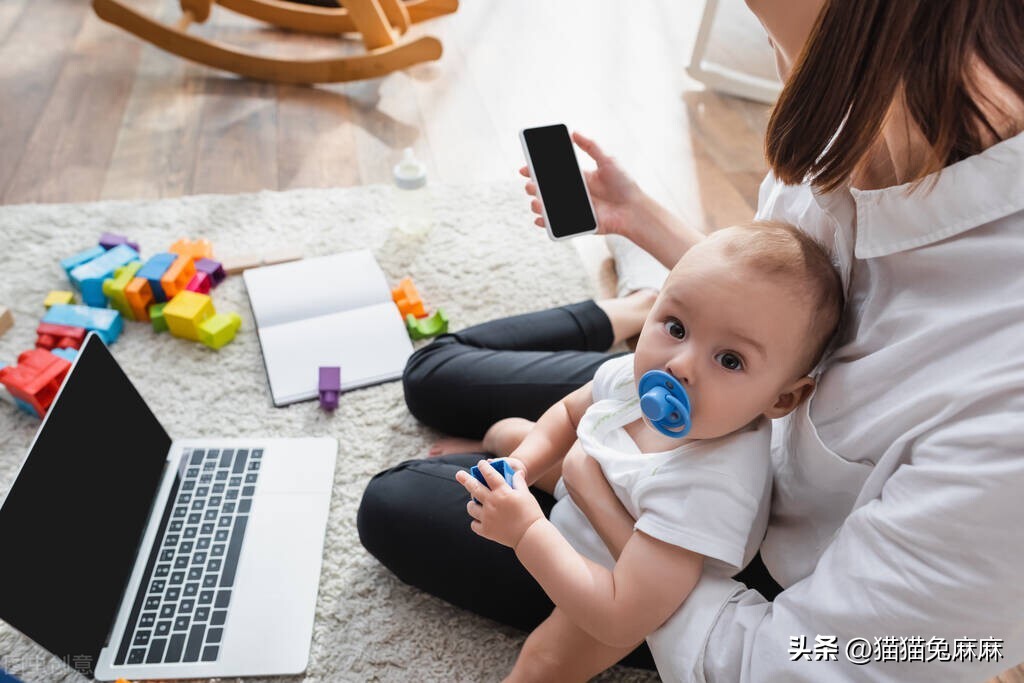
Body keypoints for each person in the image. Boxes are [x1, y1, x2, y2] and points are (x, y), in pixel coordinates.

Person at [359, 0, 1024, 679]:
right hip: (707, 397)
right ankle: (643, 307)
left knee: (395, 498)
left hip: (696, 508)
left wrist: (583, 491)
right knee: (434, 373)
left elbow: (768, 658)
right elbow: (765, 299)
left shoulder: (999, 397)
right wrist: (644, 225)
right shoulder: (855, 101)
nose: (779, 63)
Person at [456, 222, 843, 682]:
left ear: (781, 400)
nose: (679, 365)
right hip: (601, 491)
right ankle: (493, 448)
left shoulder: (709, 487)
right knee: (509, 434)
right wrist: (524, 463)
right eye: (676, 327)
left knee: (543, 661)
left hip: (617, 582)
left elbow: (621, 614)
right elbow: (569, 414)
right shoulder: (638, 375)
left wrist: (526, 532)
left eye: (730, 360)